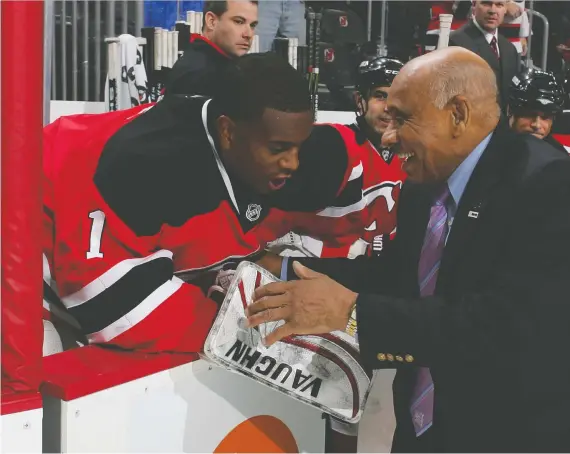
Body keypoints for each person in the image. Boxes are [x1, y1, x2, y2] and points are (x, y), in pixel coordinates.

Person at [247, 47, 570, 453]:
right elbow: (402, 279)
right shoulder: (423, 185)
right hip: (421, 431)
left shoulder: (550, 185)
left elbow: (504, 327)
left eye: (403, 119)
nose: (388, 135)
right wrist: (285, 271)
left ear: (458, 114)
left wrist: (350, 313)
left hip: (509, 434)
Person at [42, 53, 377, 354]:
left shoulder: (300, 149)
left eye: (300, 146)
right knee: (45, 355)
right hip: (27, 248)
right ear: (227, 132)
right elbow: (109, 305)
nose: (292, 163)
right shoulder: (143, 166)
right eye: (278, 149)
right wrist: (235, 322)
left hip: (93, 257)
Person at [269, 56, 407, 260]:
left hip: (369, 272)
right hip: (311, 268)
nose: (388, 107)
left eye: (396, 99)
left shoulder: (409, 155)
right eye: (380, 96)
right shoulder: (335, 144)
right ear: (360, 100)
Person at [166, 0, 258, 96]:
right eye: (239, 22)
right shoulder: (200, 74)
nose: (249, 34)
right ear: (211, 21)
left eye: (252, 25)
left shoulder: (213, 65)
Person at [449, 0, 519, 111]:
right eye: (486, 3)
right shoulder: (455, 42)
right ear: (473, 6)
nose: (492, 10)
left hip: (503, 125)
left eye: (499, 5)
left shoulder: (509, 48)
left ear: (505, 9)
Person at [508, 67, 568, 153]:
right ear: (509, 111)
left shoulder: (558, 156)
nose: (537, 125)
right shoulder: (488, 149)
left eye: (545, 117)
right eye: (529, 114)